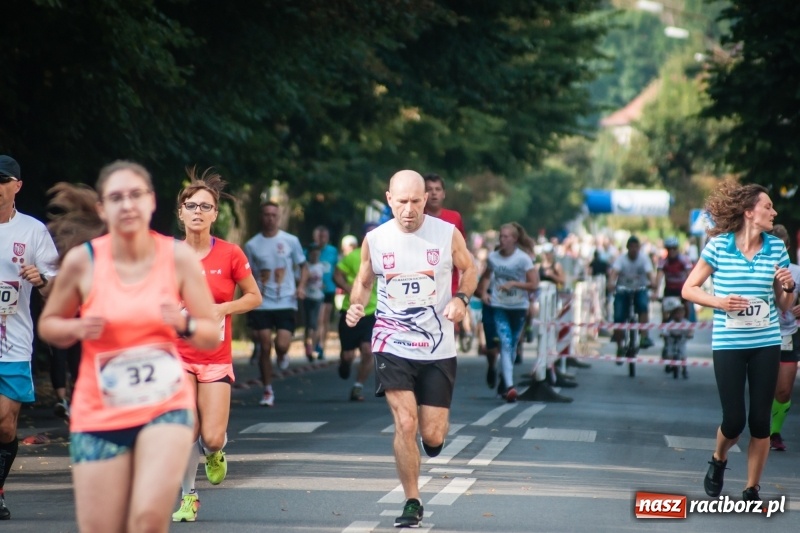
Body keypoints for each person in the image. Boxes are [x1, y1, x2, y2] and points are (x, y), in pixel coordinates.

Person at [38, 160, 221, 532]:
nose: (128, 204)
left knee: (148, 520)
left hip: (164, 407)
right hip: (99, 412)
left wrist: (183, 322)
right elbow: (49, 326)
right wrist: (76, 326)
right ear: (103, 208)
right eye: (117, 197)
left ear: (152, 202)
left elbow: (210, 334)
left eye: (136, 194)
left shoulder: (177, 258)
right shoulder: (83, 261)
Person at [346, 170, 476, 528]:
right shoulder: (376, 239)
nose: (408, 209)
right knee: (405, 422)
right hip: (392, 342)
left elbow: (471, 269)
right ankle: (413, 501)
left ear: (426, 200)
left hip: (437, 346)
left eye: (416, 201)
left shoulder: (446, 234)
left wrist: (462, 299)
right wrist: (356, 305)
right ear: (389, 199)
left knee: (432, 434)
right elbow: (363, 281)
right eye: (401, 201)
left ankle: (431, 444)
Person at [682, 181, 795, 502]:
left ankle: (751, 487)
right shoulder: (718, 247)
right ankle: (719, 458)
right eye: (768, 206)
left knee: (760, 420)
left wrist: (787, 288)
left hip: (766, 342)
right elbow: (689, 288)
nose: (774, 212)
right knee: (733, 420)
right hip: (729, 343)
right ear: (749, 212)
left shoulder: (776, 248)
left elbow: (784, 306)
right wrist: (720, 302)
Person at [171, 168, 261, 522]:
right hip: (177, 356)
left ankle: (215, 451)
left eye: (205, 206)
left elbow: (254, 296)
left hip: (215, 358)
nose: (197, 211)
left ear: (215, 214)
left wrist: (223, 307)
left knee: (210, 435)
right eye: (190, 205)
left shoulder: (230, 253)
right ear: (180, 212)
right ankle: (188, 496)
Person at [0, 155, 59, 519]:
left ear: (17, 186)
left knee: (5, 423)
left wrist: (41, 280)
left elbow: (58, 287)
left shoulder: (33, 231)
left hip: (14, 343)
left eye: (3, 180)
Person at [244, 201, 307, 407]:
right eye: (266, 214)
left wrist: (301, 287)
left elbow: (303, 266)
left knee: (281, 344)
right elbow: (248, 273)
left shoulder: (290, 240)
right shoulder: (252, 245)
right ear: (261, 217)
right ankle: (267, 390)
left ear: (278, 217)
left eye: (273, 215)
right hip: (262, 302)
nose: (270, 218)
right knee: (264, 345)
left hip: (286, 300)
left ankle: (282, 354)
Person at [477, 223, 538, 402]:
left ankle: (506, 380)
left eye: (506, 237)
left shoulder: (523, 259)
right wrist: (484, 294)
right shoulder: (493, 257)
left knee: (512, 345)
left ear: (514, 239)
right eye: (500, 236)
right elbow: (487, 277)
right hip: (499, 305)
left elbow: (534, 284)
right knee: (504, 342)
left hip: (518, 306)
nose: (502, 240)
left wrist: (513, 284)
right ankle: (510, 387)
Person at [333, 222, 378, 402]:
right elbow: (337, 274)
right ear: (362, 237)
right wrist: (347, 287)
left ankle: (358, 386)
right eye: (369, 234)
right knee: (348, 355)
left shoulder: (386, 256)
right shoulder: (354, 256)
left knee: (368, 350)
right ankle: (344, 363)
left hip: (374, 312)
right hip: (351, 310)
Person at [768, 224, 800, 452]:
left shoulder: (796, 271)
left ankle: (775, 432)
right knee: (765, 387)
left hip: (788, 334)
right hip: (762, 333)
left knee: (784, 390)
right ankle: (761, 429)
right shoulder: (760, 267)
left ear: (787, 247)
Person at [608, 235, 656, 360]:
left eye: (636, 247)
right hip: (623, 289)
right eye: (631, 247)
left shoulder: (644, 259)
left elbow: (650, 273)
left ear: (639, 248)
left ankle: (644, 336)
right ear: (627, 248)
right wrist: (611, 283)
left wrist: (653, 283)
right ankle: (619, 345)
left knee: (643, 306)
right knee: (618, 315)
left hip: (640, 288)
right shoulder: (621, 259)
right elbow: (614, 273)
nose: (634, 249)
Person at [312, 225, 339, 360]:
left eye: (324, 236)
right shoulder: (310, 250)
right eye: (319, 236)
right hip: (312, 290)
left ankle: (322, 345)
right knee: (314, 320)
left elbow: (337, 269)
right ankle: (313, 343)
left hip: (328, 289)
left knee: (323, 318)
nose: (321, 239)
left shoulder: (333, 251)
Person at [655, 236, 693, 318]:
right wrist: (656, 291)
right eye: (669, 249)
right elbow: (659, 277)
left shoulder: (684, 259)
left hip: (682, 290)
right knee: (664, 311)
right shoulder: (663, 261)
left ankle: (687, 324)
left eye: (674, 248)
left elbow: (690, 276)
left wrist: (692, 289)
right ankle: (665, 328)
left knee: (687, 307)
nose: (672, 251)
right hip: (669, 290)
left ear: (677, 249)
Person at [302, 243, 325, 362]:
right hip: (307, 297)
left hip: (318, 297)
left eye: (317, 253)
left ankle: (316, 346)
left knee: (317, 323)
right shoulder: (306, 267)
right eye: (313, 253)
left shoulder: (321, 266)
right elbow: (299, 280)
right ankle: (308, 347)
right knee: (309, 324)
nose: (315, 255)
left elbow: (324, 281)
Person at [660, 296, 693, 379]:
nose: (679, 315)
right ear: (673, 314)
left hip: (681, 340)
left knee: (683, 354)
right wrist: (664, 334)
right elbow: (665, 330)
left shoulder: (685, 322)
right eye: (677, 313)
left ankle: (684, 369)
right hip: (671, 339)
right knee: (669, 352)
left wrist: (689, 334)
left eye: (681, 313)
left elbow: (691, 329)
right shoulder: (670, 323)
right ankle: (669, 364)